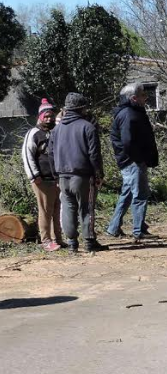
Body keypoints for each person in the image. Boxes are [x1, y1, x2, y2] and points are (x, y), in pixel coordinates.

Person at [49, 92, 108, 253]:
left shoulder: (56, 130)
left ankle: (72, 244)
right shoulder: (87, 127)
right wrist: (99, 174)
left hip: (62, 176)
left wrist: (55, 175)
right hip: (82, 176)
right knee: (86, 208)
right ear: (82, 109)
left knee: (68, 207)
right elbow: (94, 154)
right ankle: (89, 242)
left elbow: (51, 154)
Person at [106, 83, 159, 241]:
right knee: (140, 195)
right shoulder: (129, 114)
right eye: (143, 95)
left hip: (130, 161)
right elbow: (128, 141)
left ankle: (113, 228)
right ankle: (138, 230)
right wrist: (138, 159)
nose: (146, 97)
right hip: (133, 161)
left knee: (127, 194)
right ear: (134, 98)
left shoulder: (132, 112)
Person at [22, 99, 63, 252]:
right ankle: (46, 240)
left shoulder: (57, 131)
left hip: (57, 178)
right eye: (46, 116)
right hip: (41, 179)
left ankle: (57, 238)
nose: (49, 118)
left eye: (51, 115)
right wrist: (34, 175)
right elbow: (27, 155)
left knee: (56, 209)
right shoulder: (33, 133)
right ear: (40, 116)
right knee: (45, 210)